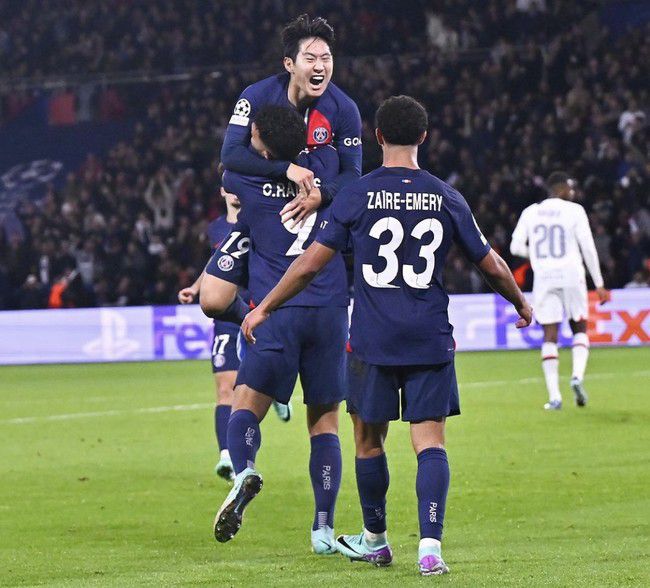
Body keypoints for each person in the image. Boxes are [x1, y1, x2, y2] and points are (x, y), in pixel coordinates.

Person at [241, 96, 533, 576]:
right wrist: (520, 303)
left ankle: (376, 540)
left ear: (377, 137)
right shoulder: (445, 196)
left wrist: (265, 306)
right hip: (429, 336)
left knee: (368, 439)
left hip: (372, 339)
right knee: (430, 441)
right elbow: (492, 264)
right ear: (424, 136)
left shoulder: (357, 194)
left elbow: (310, 264)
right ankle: (430, 548)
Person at [212, 106, 349, 556]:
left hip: (276, 308)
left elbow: (229, 163)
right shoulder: (328, 168)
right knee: (324, 422)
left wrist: (268, 162)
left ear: (262, 142)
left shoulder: (245, 179)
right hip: (330, 309)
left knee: (245, 406)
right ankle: (323, 528)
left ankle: (245, 469)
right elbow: (346, 173)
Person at [199, 13, 361, 319]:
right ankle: (253, 317)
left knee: (308, 292)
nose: (320, 66)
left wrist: (322, 194)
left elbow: (353, 174)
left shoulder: (344, 109)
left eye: (326, 58)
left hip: (313, 212)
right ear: (289, 64)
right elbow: (230, 155)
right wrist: (286, 170)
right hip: (262, 208)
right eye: (310, 58)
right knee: (213, 300)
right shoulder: (257, 96)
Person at [510, 172, 609, 410]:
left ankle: (555, 397)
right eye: (570, 188)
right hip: (572, 275)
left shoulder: (531, 212)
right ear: (560, 188)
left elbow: (515, 247)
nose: (572, 192)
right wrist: (599, 283)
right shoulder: (574, 211)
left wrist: (537, 256)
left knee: (550, 334)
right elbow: (588, 248)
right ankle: (576, 376)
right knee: (579, 326)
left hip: (545, 277)